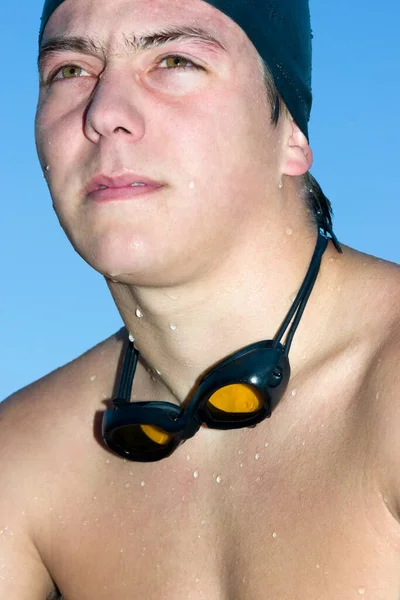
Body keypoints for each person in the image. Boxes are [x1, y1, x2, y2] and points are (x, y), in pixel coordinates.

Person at [1, 0, 399, 597]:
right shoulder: (25, 461)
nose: (104, 113)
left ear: (290, 132)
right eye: (70, 71)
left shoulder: (388, 390)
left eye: (174, 60)